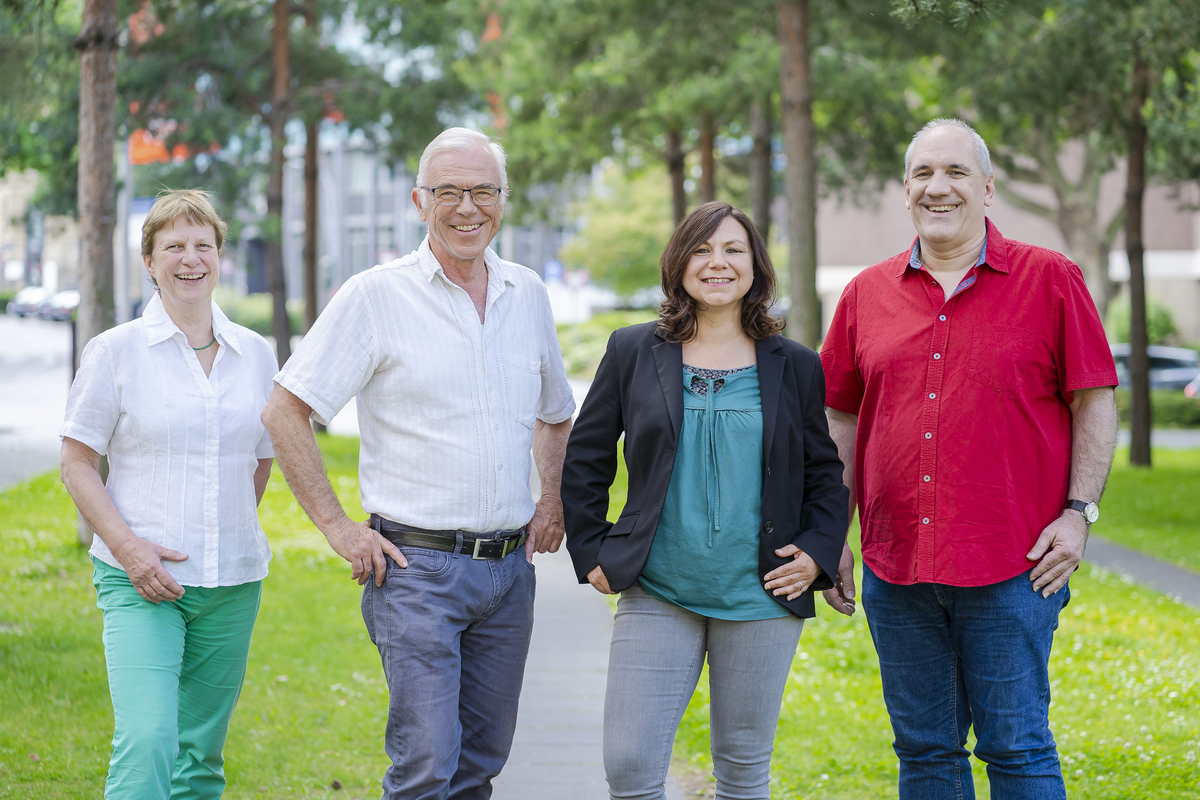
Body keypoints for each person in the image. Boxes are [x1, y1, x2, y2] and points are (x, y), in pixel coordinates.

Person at [261, 127, 575, 800]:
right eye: (449, 191)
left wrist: (551, 501)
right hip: (415, 572)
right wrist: (340, 529)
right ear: (417, 200)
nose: (468, 206)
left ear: (504, 199)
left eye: (483, 190)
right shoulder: (375, 296)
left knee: (480, 763)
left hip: (510, 575)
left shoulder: (528, 294)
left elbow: (555, 411)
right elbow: (284, 411)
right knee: (426, 765)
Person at [819, 118, 1119, 799]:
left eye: (955, 172)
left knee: (1016, 748)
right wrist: (830, 528)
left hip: (1014, 564)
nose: (938, 186)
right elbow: (840, 415)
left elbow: (1094, 401)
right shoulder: (865, 295)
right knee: (924, 752)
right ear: (905, 191)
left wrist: (1079, 514)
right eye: (923, 173)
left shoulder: (1051, 279)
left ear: (987, 189)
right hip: (897, 567)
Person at [562, 201, 849, 799]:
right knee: (630, 765)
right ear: (679, 263)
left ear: (756, 267)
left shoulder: (795, 364)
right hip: (658, 587)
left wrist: (820, 553)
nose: (717, 263)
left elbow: (825, 472)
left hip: (761, 595)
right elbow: (587, 457)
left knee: (743, 772)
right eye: (701, 249)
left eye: (733, 250)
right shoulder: (632, 350)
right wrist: (590, 549)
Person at [59, 189, 278, 799]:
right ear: (150, 262)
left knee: (201, 755)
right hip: (138, 582)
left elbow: (259, 460)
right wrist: (128, 548)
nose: (190, 259)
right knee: (149, 738)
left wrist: (222, 525)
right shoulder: (115, 351)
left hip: (232, 579)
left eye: (202, 245)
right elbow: (77, 461)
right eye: (173, 246)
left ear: (220, 257)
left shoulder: (256, 354)